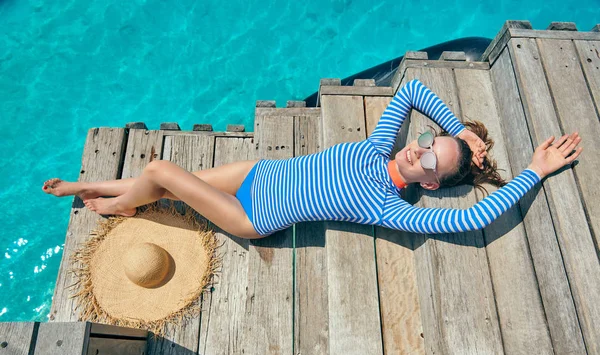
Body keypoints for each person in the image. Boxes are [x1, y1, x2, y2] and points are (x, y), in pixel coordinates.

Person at [43, 79, 582, 239]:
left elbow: (473, 217)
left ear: (432, 185)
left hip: (255, 217)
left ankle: (116, 207)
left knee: (161, 172)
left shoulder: (394, 207)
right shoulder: (381, 146)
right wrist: (459, 128)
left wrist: (535, 171)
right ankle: (93, 188)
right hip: (258, 173)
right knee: (164, 182)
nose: (418, 149)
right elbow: (413, 87)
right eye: (428, 139)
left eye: (431, 162)